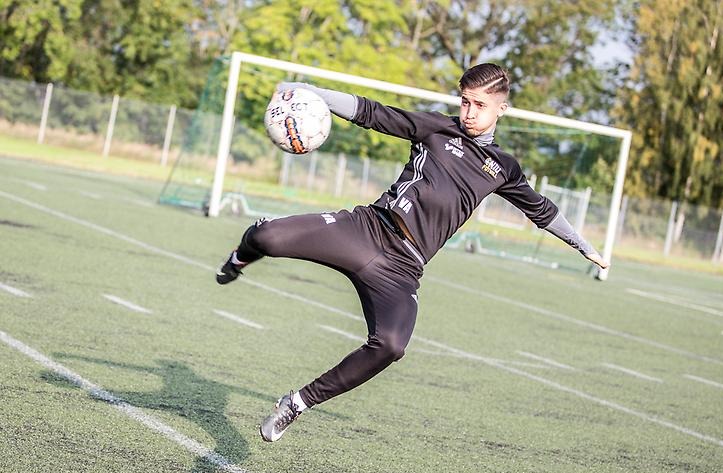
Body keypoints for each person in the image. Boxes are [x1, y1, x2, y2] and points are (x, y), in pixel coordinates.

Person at [216, 63, 609, 442]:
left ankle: (297, 403)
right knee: (267, 236)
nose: (469, 112)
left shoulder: (503, 167)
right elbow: (372, 113)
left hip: (404, 268)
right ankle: (239, 259)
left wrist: (585, 247)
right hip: (368, 230)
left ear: (501, 108)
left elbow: (540, 209)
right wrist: (310, 93)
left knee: (390, 346)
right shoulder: (436, 128)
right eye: (465, 102)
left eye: (480, 105)